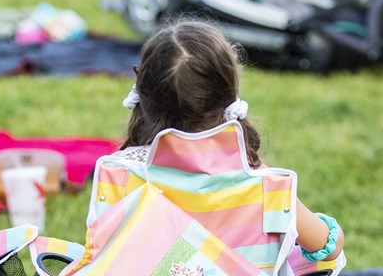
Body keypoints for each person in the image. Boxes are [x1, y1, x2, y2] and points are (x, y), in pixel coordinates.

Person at [116, 20, 343, 261]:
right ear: (229, 91)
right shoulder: (265, 184)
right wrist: (330, 231)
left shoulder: (120, 174)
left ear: (142, 93)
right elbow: (327, 248)